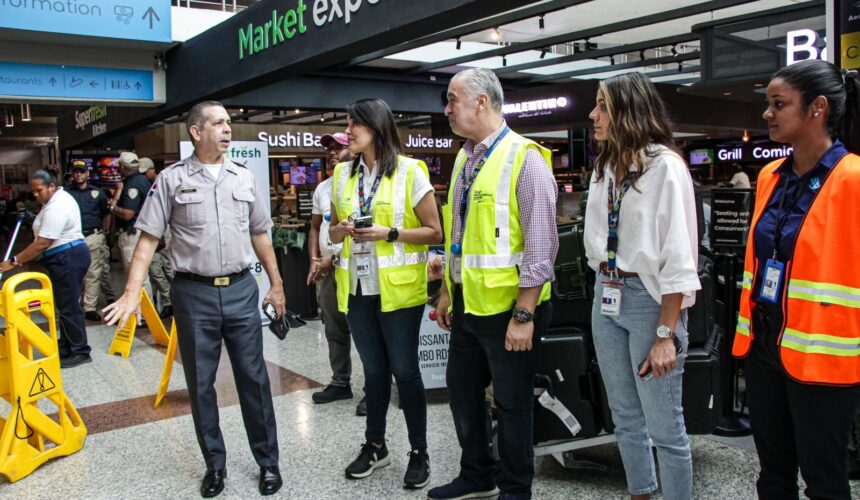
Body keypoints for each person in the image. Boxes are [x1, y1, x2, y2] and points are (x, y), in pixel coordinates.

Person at [103, 101, 285, 498]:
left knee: (254, 380)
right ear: (196, 132)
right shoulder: (170, 180)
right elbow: (148, 237)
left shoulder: (243, 178)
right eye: (218, 123)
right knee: (201, 385)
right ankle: (214, 466)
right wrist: (133, 292)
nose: (227, 129)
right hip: (193, 294)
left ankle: (268, 463)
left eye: (229, 123)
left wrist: (276, 284)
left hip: (240, 290)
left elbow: (260, 235)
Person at [732, 60, 860, 500]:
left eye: (779, 104)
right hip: (765, 348)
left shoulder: (854, 179)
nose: (767, 114)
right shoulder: (770, 177)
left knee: (825, 481)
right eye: (768, 104)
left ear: (818, 108)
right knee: (772, 476)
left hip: (824, 358)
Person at [429, 68, 558, 500]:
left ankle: (516, 488)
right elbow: (461, 238)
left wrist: (524, 315)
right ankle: (476, 475)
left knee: (512, 402)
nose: (446, 109)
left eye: (452, 100)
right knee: (463, 394)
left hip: (511, 310)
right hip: (468, 304)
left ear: (481, 102)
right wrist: (448, 292)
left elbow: (542, 248)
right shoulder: (466, 157)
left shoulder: (526, 159)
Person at [583, 72, 700, 500]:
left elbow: (680, 258)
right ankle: (640, 492)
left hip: (649, 302)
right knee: (625, 417)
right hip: (605, 293)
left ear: (627, 110)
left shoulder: (665, 167)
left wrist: (666, 335)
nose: (593, 114)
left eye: (602, 106)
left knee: (665, 426)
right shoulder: (604, 168)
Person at [328, 98, 442, 489]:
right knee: (374, 372)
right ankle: (375, 445)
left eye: (354, 123)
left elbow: (434, 232)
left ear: (376, 127)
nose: (348, 131)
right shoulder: (343, 175)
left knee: (406, 371)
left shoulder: (411, 171)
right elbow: (330, 232)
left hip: (399, 292)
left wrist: (387, 233)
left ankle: (419, 451)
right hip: (358, 288)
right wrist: (341, 229)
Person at [0, 170, 93, 368]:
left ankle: (80, 351)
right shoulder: (51, 203)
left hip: (68, 257)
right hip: (63, 257)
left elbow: (43, 242)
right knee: (64, 305)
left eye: (38, 190)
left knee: (69, 306)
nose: (35, 194)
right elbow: (44, 228)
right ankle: (68, 343)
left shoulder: (57, 205)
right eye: (33, 191)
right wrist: (30, 217)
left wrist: (15, 261)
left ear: (51, 186)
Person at [308, 132, 367, 415]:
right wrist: (314, 260)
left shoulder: (363, 186)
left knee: (364, 331)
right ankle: (340, 381)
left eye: (338, 147)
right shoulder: (323, 188)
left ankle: (373, 390)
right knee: (334, 328)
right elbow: (315, 227)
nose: (331, 152)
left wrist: (330, 261)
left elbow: (361, 233)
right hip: (327, 270)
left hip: (354, 268)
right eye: (328, 147)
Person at [65, 160, 112, 322]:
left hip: (93, 236)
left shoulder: (97, 192)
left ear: (87, 174)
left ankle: (90, 307)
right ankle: (75, 303)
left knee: (94, 273)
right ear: (72, 174)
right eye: (76, 171)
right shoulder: (66, 193)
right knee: (75, 273)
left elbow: (106, 213)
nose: (79, 174)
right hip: (73, 238)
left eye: (82, 171)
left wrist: (104, 233)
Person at [110, 152, 153, 302]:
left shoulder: (132, 185)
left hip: (133, 233)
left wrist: (113, 207)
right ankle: (145, 314)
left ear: (122, 167)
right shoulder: (143, 180)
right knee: (141, 275)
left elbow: (128, 213)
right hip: (144, 231)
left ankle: (142, 316)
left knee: (136, 276)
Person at [139, 157, 173, 317]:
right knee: (155, 271)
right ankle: (168, 301)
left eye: (146, 172)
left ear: (153, 170)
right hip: (157, 234)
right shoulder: (147, 185)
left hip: (169, 235)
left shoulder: (164, 180)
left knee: (170, 270)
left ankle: (173, 302)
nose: (144, 175)